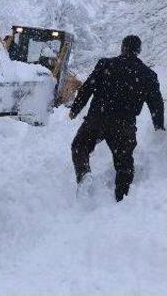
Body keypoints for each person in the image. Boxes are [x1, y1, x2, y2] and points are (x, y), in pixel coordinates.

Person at [69, 35, 164, 201]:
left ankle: (84, 174)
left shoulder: (106, 64)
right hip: (124, 125)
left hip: (97, 119)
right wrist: (159, 126)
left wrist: (75, 109)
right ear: (138, 51)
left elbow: (87, 88)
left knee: (80, 145)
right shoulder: (148, 75)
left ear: (122, 48)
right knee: (124, 164)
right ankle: (122, 199)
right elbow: (156, 104)